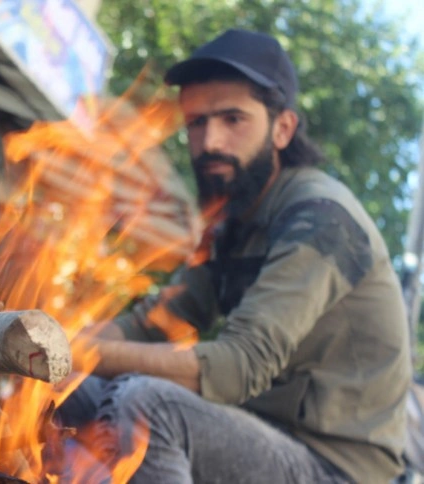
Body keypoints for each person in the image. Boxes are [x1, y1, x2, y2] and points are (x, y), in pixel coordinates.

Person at [57, 29, 411, 484]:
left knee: (145, 405)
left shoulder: (322, 220)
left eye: (232, 119)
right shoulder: (232, 223)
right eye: (196, 123)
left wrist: (78, 351)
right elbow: (152, 323)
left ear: (282, 128)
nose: (210, 142)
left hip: (334, 466)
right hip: (255, 434)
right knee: (67, 383)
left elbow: (238, 366)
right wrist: (43, 344)